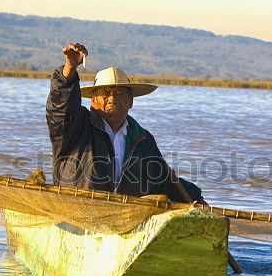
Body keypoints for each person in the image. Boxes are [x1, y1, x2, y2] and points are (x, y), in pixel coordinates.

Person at [46, 42, 203, 202]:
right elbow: (59, 110)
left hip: (124, 219)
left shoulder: (143, 139)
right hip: (75, 212)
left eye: (120, 92)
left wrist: (197, 199)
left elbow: (163, 180)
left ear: (130, 101)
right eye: (105, 92)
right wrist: (69, 69)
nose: (112, 98)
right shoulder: (76, 126)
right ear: (93, 100)